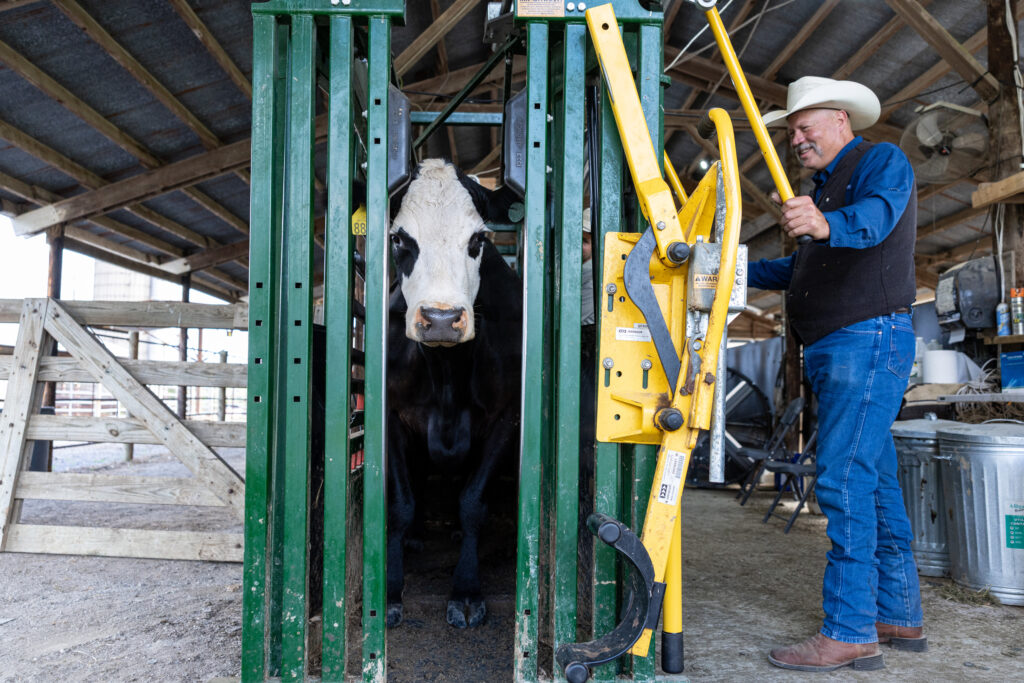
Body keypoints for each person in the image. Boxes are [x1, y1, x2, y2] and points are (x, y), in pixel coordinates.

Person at [747, 76, 925, 672]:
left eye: (807, 125)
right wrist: (722, 265)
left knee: (844, 481)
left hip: (864, 339)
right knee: (874, 480)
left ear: (844, 121)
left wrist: (826, 225)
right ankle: (897, 614)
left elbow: (875, 218)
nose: (797, 139)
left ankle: (849, 629)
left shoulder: (880, 161)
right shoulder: (820, 196)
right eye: (791, 131)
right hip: (844, 346)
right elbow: (791, 269)